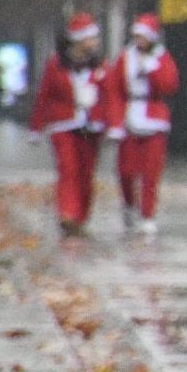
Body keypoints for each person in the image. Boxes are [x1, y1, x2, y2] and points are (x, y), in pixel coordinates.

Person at [29, 12, 108, 236]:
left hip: (91, 126)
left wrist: (111, 123)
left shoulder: (100, 65)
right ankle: (67, 213)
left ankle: (80, 216)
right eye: (90, 38)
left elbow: (110, 95)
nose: (94, 42)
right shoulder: (56, 65)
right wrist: (36, 127)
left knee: (86, 172)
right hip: (63, 124)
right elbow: (44, 96)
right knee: (68, 169)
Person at [103, 14, 180, 237]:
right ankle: (128, 204)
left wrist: (152, 69)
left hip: (154, 119)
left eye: (143, 36)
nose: (139, 41)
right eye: (136, 36)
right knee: (126, 171)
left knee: (151, 172)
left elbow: (169, 86)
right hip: (129, 118)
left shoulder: (162, 58)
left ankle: (147, 214)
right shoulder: (125, 57)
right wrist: (115, 122)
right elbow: (114, 90)